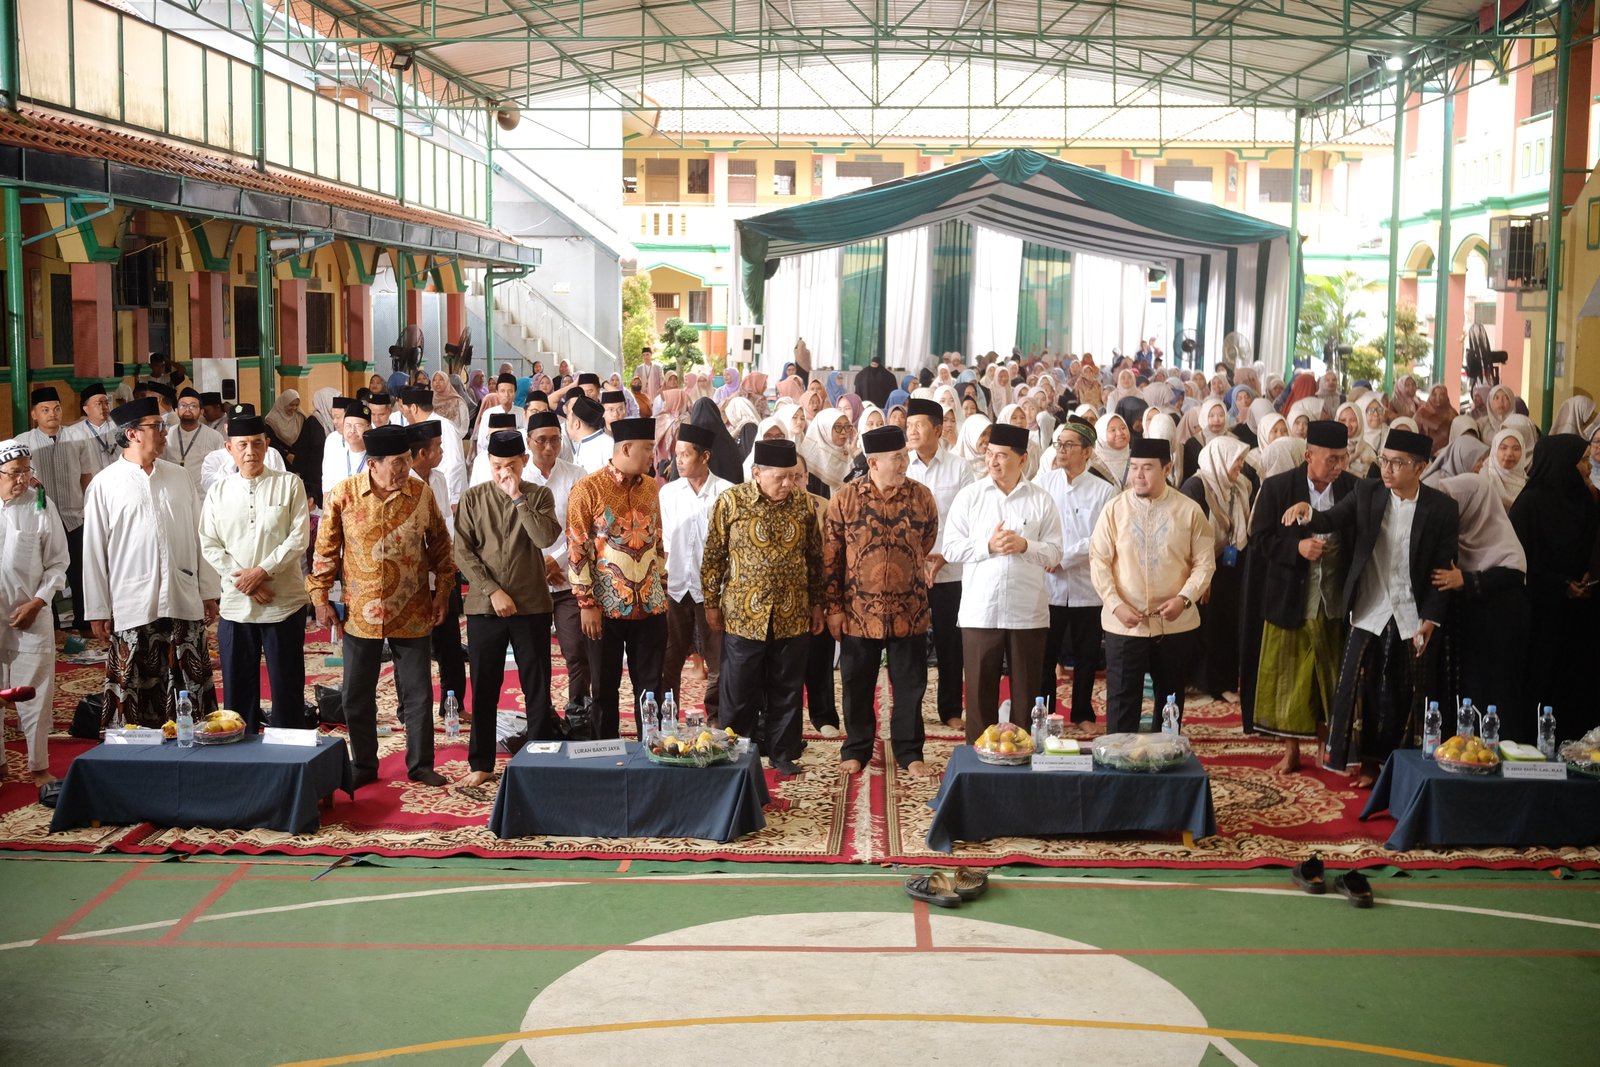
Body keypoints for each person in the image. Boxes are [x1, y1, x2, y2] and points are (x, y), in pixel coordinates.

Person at [1283, 428, 1460, 787]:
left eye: (1397, 463)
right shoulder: (1368, 491)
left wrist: (1432, 618)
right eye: (1384, 460)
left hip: (1412, 613)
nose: (1387, 469)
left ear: (1420, 467)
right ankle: (1365, 764)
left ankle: (1402, 766)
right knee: (1358, 685)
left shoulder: (1441, 508)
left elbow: (1443, 570)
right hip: (1370, 606)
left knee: (1405, 689)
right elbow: (1331, 519)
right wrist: (1307, 513)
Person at [309, 425, 454, 789]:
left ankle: (421, 764)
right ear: (372, 464)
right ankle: (364, 764)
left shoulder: (420, 493)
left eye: (406, 461)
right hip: (361, 614)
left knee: (418, 693)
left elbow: (440, 547)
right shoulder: (344, 495)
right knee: (356, 694)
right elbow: (325, 550)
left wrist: (443, 593)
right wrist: (320, 597)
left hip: (413, 610)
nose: (404, 469)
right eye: (396, 463)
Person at [82, 397, 220, 728]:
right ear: (132, 434)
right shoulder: (106, 484)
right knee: (135, 688)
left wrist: (208, 590)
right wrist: (98, 609)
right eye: (156, 426)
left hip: (181, 597)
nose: (164, 433)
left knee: (189, 687)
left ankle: (195, 752)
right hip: (132, 602)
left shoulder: (179, 476)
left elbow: (200, 535)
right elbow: (93, 552)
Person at [702, 439, 823, 776]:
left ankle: (783, 752)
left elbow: (814, 558)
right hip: (744, 615)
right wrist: (711, 602)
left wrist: (817, 604)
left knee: (786, 688)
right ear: (757, 473)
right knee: (739, 688)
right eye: (781, 477)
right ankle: (735, 751)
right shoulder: (731, 502)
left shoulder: (803, 504)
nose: (788, 484)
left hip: (793, 612)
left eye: (793, 477)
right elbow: (713, 556)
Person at [823, 425, 939, 777]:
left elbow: (928, 540)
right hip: (859, 612)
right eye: (897, 458)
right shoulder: (845, 498)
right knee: (856, 685)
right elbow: (831, 558)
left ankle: (909, 751)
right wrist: (833, 609)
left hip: (910, 609)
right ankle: (856, 748)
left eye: (905, 456)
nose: (904, 463)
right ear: (873, 461)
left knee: (910, 687)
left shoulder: (921, 496)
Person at [943, 422, 1065, 743]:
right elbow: (951, 547)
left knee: (1027, 695)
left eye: (1002, 456)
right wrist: (988, 545)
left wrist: (1026, 546)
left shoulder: (1041, 500)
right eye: (989, 454)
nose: (993, 462)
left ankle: (1023, 757)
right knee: (980, 695)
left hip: (1028, 612)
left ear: (1022, 459)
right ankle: (978, 761)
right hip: (980, 610)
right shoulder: (970, 496)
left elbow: (1055, 551)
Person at [454, 428, 562, 786]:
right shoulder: (473, 499)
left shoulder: (539, 495)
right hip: (485, 606)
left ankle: (540, 757)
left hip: (531, 604)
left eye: (511, 466)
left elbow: (545, 538)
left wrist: (518, 498)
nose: (504, 473)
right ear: (488, 463)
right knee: (485, 685)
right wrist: (492, 591)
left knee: (537, 685)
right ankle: (481, 762)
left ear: (524, 462)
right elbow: (463, 553)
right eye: (497, 466)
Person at [1248, 421, 1357, 772]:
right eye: (1331, 460)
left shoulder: (1353, 489)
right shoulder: (1279, 487)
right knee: (1288, 679)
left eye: (1343, 459)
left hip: (1335, 601)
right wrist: (1296, 546)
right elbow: (1260, 539)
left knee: (1330, 676)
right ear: (1309, 455)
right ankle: (1291, 750)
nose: (1338, 467)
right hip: (1290, 598)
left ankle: (1327, 745)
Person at [197, 411, 311, 734]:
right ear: (229, 448)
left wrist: (261, 572)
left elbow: (299, 537)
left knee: (288, 690)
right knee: (237, 696)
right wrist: (245, 580)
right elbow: (209, 543)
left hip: (283, 604)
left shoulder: (289, 484)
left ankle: (289, 764)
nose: (251, 452)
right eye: (243, 445)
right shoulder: (218, 493)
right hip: (236, 609)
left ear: (267, 445)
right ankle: (240, 763)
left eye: (257, 444)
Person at [1090, 438, 1214, 734]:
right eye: (1133, 468)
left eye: (1147, 468)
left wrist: (1184, 599)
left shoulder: (1189, 510)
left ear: (1167, 468)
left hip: (1175, 623)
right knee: (1121, 702)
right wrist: (1116, 604)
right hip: (1125, 623)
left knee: (1170, 702)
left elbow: (1204, 563)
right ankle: (1119, 771)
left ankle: (1166, 767)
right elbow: (1098, 561)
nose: (1138, 476)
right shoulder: (1114, 510)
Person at [566, 417, 667, 739]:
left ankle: (652, 752)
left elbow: (657, 541)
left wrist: (660, 588)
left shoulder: (651, 486)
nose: (653, 455)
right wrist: (586, 603)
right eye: (648, 448)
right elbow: (577, 548)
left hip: (650, 606)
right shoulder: (588, 488)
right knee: (605, 687)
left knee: (651, 686)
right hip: (604, 609)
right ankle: (604, 757)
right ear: (626, 447)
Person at [1510, 434, 1599, 738]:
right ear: (1564, 464)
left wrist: (1589, 573)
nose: (1589, 466)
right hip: (1540, 612)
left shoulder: (1585, 501)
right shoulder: (1529, 505)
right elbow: (1520, 562)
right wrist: (1559, 585)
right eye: (1583, 460)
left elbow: (1591, 548)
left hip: (1578, 615)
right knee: (1541, 681)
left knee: (1575, 682)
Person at [1430, 473, 1530, 737]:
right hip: (1470, 627)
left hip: (1499, 626)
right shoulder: (1456, 537)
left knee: (1495, 690)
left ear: (1473, 504)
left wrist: (1466, 579)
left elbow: (1512, 574)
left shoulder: (1498, 537)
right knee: (1468, 690)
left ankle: (1498, 746)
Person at [1035, 416, 1117, 723]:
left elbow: (1100, 537)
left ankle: (1082, 711)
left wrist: (1063, 557)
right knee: (1046, 655)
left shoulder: (1103, 491)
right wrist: (1049, 555)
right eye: (1059, 444)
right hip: (1048, 584)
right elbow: (1035, 527)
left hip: (1086, 586)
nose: (1062, 450)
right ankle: (1045, 713)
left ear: (1087, 451)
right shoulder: (1043, 484)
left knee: (1086, 656)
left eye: (1069, 445)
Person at [0, 440, 69, 783]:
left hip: (32, 612)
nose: (23, 479)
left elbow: (58, 563)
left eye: (27, 471)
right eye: (15, 473)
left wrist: (38, 602)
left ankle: (38, 765)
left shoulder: (41, 505)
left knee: (36, 691)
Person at [905, 397, 973, 732]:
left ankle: (949, 708)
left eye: (919, 425)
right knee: (911, 644)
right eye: (909, 425)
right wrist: (916, 560)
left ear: (938, 428)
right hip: (909, 572)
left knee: (950, 643)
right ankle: (910, 711)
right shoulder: (901, 465)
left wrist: (942, 554)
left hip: (950, 569)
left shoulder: (960, 468)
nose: (912, 431)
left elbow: (965, 519)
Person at [658, 422, 732, 719]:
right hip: (676, 587)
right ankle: (666, 719)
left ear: (705, 456)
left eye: (685, 454)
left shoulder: (726, 493)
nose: (678, 460)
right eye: (676, 454)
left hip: (713, 591)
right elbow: (665, 543)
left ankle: (716, 717)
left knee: (717, 660)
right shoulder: (669, 493)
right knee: (669, 658)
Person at [519, 412, 591, 707]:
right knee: (535, 656)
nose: (549, 447)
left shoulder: (576, 474)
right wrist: (540, 565)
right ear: (529, 442)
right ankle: (540, 716)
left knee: (576, 652)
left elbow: (583, 527)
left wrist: (556, 561)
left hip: (568, 579)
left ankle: (578, 712)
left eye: (555, 440)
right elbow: (516, 532)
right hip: (530, 583)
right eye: (542, 441)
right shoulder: (519, 477)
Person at [1179, 435, 1254, 703]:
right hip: (1201, 565)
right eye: (1236, 461)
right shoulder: (1196, 487)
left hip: (1230, 566)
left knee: (1225, 624)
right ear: (1220, 460)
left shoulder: (1240, 486)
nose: (1240, 467)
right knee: (1203, 625)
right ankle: (1201, 681)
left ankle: (1221, 681)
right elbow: (1186, 534)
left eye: (1242, 461)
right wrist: (1202, 574)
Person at [408, 421, 467, 723]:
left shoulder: (440, 479)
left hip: (443, 575)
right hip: (413, 581)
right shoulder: (404, 483)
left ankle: (452, 703)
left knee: (450, 645)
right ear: (422, 453)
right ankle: (409, 711)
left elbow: (446, 527)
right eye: (438, 447)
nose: (443, 452)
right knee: (413, 649)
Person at [16, 387, 88, 633]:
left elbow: (86, 478)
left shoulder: (78, 437)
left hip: (73, 517)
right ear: (34, 414)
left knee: (80, 573)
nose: (52, 414)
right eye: (45, 410)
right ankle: (52, 624)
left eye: (56, 408)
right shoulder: (22, 442)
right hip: (41, 520)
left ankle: (84, 621)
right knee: (42, 573)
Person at [399, 385, 467, 508]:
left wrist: (453, 499)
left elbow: (455, 464)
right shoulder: (420, 428)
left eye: (404, 411)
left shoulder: (445, 426)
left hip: (449, 495)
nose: (404, 415)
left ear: (413, 408)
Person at [169, 387, 227, 496]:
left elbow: (222, 469)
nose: (187, 409)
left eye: (193, 406)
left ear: (201, 411)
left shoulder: (214, 436)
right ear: (176, 410)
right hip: (174, 495)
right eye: (183, 405)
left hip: (202, 497)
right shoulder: (167, 435)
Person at [322, 399, 371, 500]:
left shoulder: (378, 459)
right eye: (348, 425)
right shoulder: (336, 459)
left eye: (358, 426)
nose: (352, 430)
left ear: (369, 428)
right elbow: (327, 491)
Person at [567, 396, 612, 474]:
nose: (566, 424)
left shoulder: (608, 445)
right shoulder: (582, 443)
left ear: (576, 424)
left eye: (568, 420)